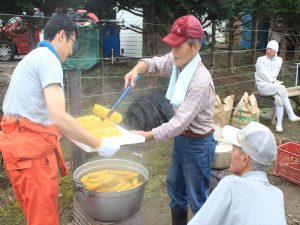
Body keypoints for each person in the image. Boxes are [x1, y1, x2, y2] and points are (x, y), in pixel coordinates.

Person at [0, 14, 119, 225]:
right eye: (73, 43)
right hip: (30, 156)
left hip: (18, 150)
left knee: (37, 216)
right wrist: (99, 144)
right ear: (62, 36)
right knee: (43, 220)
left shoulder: (34, 57)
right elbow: (59, 116)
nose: (72, 51)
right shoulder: (48, 59)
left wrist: (73, 127)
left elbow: (37, 111)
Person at [124, 14, 216, 225]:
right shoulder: (178, 61)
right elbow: (155, 63)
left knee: (198, 200)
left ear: (195, 47)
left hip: (198, 145)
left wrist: (147, 135)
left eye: (178, 45)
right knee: (175, 189)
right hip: (182, 141)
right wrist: (136, 70)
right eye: (172, 45)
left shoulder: (200, 81)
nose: (173, 50)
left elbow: (178, 123)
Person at [188, 122, 286, 225]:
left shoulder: (231, 184)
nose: (230, 152)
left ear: (245, 158)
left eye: (234, 147)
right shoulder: (277, 196)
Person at [254, 40, 300, 132]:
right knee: (281, 88)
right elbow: (263, 74)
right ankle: (291, 114)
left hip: (272, 86)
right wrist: (273, 81)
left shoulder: (278, 60)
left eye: (270, 49)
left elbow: (274, 73)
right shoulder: (260, 60)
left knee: (279, 99)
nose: (268, 50)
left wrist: (273, 80)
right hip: (263, 86)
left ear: (275, 51)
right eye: (267, 48)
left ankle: (279, 125)